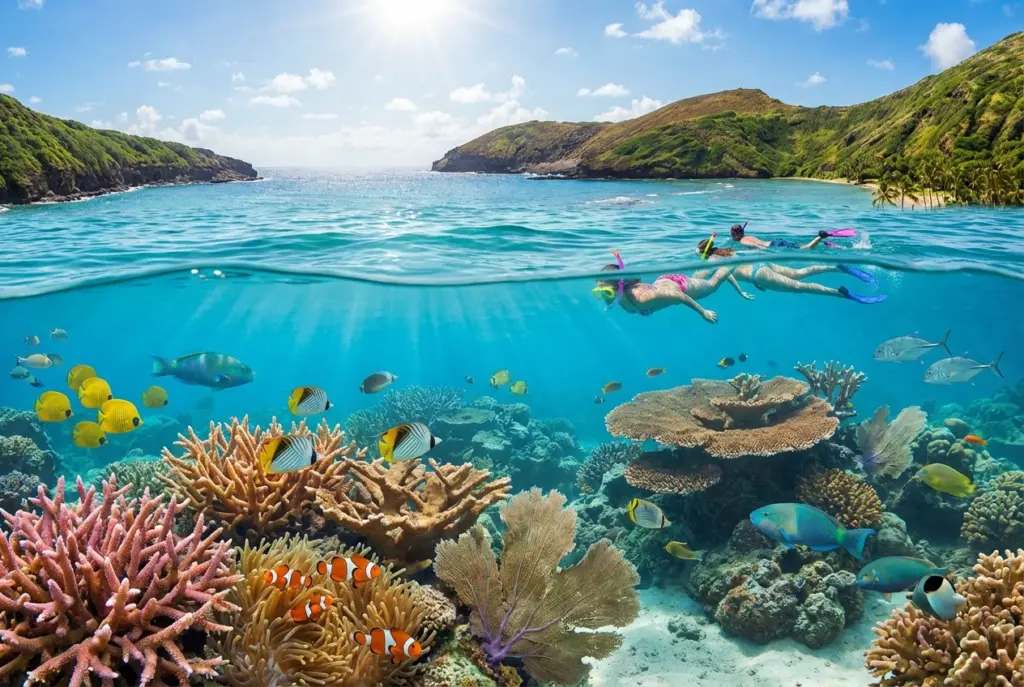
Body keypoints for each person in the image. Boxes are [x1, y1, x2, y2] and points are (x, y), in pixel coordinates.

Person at [695, 239, 886, 304]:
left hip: (758, 276)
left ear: (704, 253)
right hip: (764, 266)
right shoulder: (729, 251)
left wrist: (743, 291)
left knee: (800, 287)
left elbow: (725, 275)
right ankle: (836, 267)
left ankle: (839, 293)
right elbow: (731, 271)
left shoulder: (712, 261)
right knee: (800, 273)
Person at [591, 249, 732, 324]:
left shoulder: (642, 298)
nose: (604, 298)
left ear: (620, 287)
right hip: (665, 283)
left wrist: (703, 312)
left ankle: (731, 263)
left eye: (606, 293)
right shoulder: (622, 301)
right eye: (599, 293)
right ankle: (710, 264)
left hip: (681, 286)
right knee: (697, 281)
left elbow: (680, 296)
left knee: (712, 286)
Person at [730, 222, 828, 250]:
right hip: (775, 242)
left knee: (806, 248)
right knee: (802, 246)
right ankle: (821, 240)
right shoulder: (748, 236)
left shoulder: (743, 241)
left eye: (733, 234)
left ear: (736, 234)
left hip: (773, 246)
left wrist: (767, 252)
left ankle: (819, 237)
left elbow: (756, 246)